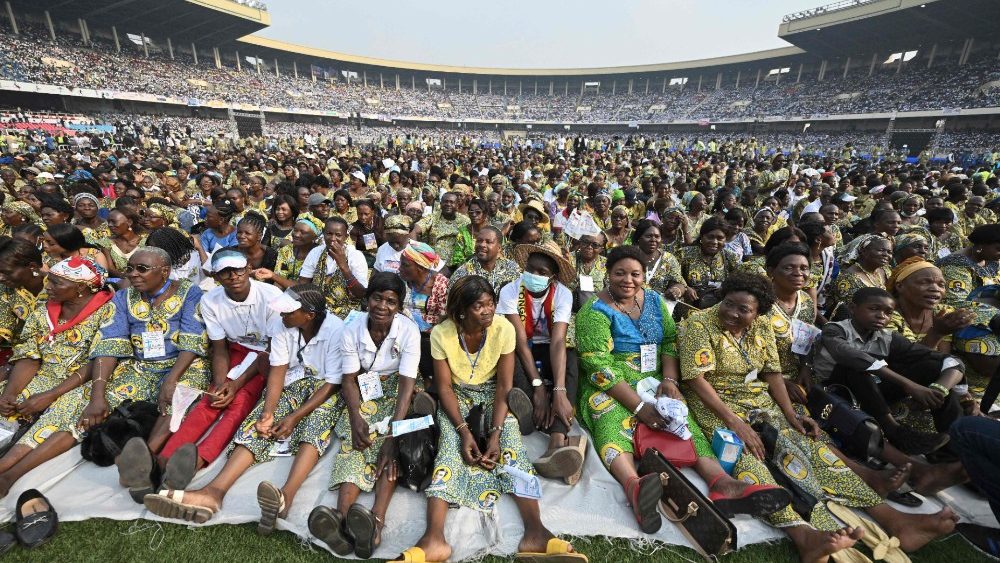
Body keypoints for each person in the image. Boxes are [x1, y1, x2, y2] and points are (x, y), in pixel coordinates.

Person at [680, 273, 958, 560]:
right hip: (715, 405)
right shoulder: (699, 324)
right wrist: (736, 423)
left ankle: (894, 519)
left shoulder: (762, 325)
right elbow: (696, 380)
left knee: (810, 446)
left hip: (758, 399)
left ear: (759, 312)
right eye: (728, 304)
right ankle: (804, 534)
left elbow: (773, 373)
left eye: (743, 310)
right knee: (753, 460)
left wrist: (790, 415)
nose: (732, 313)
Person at [576, 246, 790, 532]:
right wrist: (640, 407)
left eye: (635, 274)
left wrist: (670, 380)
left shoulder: (652, 300)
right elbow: (597, 366)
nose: (628, 280)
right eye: (620, 273)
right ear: (607, 274)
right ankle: (634, 486)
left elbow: (668, 341)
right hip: (614, 379)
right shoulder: (594, 311)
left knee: (681, 417)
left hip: (655, 374)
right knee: (611, 417)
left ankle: (721, 483)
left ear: (644, 276)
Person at [396, 275, 584, 563]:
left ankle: (535, 533)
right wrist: (463, 431)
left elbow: (503, 387)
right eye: (479, 306)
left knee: (512, 446)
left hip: (492, 393)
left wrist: (494, 433)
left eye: (491, 304)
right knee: (448, 450)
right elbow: (445, 387)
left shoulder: (503, 329)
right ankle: (434, 540)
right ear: (461, 311)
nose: (488, 311)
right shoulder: (441, 334)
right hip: (456, 395)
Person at [143, 285, 345, 527]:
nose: (282, 316)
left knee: (315, 425)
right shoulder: (283, 325)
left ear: (309, 316)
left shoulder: (336, 330)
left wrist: (294, 417)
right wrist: (268, 412)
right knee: (257, 425)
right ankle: (213, 493)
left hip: (325, 389)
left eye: (288, 313)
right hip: (294, 380)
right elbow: (278, 370)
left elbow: (333, 382)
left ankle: (286, 496)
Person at [125, 249, 282, 495]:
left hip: (266, 358)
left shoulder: (271, 295)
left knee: (238, 405)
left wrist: (237, 384)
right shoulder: (211, 300)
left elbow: (272, 350)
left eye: (238, 269)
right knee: (210, 401)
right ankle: (161, 463)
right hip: (235, 352)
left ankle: (194, 462)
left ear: (249, 267)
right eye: (224, 272)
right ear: (216, 277)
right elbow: (219, 348)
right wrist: (221, 383)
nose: (233, 276)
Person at [310, 273, 420, 559]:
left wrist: (393, 434)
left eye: (391, 301)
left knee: (390, 450)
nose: (382, 306)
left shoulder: (409, 331)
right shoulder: (351, 329)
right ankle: (342, 517)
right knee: (355, 441)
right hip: (363, 385)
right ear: (367, 299)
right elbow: (348, 379)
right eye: (377, 298)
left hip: (399, 390)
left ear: (399, 306)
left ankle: (375, 522)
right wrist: (356, 416)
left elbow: (408, 383)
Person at [0, 257, 113, 497]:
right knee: (7, 400)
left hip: (82, 382)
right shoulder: (44, 312)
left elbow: (99, 361)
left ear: (81, 287)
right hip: (45, 374)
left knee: (62, 415)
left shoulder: (107, 311)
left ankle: (7, 472)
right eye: (49, 280)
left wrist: (51, 395)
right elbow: (30, 355)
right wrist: (10, 393)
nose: (47, 286)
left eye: (55, 282)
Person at [811, 287, 965, 455]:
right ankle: (894, 431)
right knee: (855, 367)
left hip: (870, 395)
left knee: (932, 366)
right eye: (874, 309)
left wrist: (938, 389)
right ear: (853, 308)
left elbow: (948, 361)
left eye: (888, 312)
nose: (881, 316)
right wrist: (909, 385)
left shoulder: (887, 337)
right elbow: (849, 356)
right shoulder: (835, 329)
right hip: (833, 392)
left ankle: (954, 443)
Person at [84, 247, 210, 449]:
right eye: (130, 268)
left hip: (184, 366)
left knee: (176, 400)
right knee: (95, 401)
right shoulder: (123, 297)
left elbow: (192, 340)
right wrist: (97, 396)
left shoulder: (189, 292)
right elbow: (109, 343)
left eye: (142, 269)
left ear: (165, 271)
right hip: (140, 366)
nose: (133, 274)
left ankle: (147, 455)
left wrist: (171, 379)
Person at [498, 242, 587, 483]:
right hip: (523, 348)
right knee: (507, 356)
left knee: (570, 356)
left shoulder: (562, 293)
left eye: (542, 273)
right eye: (531, 269)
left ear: (553, 277)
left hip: (550, 349)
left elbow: (558, 341)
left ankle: (557, 437)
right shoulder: (510, 291)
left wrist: (557, 391)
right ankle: (530, 405)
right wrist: (538, 388)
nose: (534, 275)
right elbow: (519, 341)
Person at [937, 224, 1000, 412]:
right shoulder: (956, 265)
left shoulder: (989, 261)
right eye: (998, 248)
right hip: (960, 319)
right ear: (980, 245)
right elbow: (956, 304)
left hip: (989, 316)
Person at [298, 217, 369, 320]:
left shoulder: (355, 256)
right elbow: (303, 284)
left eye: (338, 235)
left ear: (346, 237)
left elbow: (360, 293)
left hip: (347, 314)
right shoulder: (316, 252)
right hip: (317, 311)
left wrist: (343, 266)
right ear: (323, 233)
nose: (333, 239)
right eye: (329, 234)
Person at [0, 238, 46, 366]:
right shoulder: (6, 290)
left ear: (32, 266)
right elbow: (3, 326)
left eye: (6, 272)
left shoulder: (59, 286)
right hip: (22, 354)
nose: (0, 278)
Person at [678, 218, 739, 308]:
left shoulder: (730, 257)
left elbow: (739, 278)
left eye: (720, 238)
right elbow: (673, 275)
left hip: (719, 306)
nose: (714, 242)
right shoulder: (684, 254)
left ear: (725, 239)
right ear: (702, 237)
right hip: (689, 305)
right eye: (710, 237)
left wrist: (726, 288)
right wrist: (685, 288)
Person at [831, 234, 892, 319]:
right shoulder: (848, 278)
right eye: (881, 250)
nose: (886, 255)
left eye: (889, 252)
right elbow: (847, 312)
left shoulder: (886, 271)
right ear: (863, 251)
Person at [254, 215, 322, 289]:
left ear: (315, 237)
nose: (296, 234)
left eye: (303, 232)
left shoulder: (320, 254)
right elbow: (279, 280)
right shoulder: (286, 251)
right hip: (287, 291)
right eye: (295, 230)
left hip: (310, 294)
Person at [447, 226, 521, 295]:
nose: (482, 245)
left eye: (488, 242)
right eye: (479, 241)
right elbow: (453, 305)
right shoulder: (462, 274)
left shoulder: (512, 269)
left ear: (499, 248)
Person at [413, 191, 469, 270]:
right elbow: (415, 230)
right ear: (440, 204)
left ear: (457, 205)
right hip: (433, 262)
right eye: (445, 202)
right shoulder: (433, 217)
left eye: (451, 202)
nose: (448, 204)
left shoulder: (465, 221)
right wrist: (416, 251)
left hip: (456, 264)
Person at [40, 223, 110, 271]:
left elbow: (101, 279)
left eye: (51, 243)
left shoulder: (94, 254)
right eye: (44, 241)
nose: (45, 245)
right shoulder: (45, 258)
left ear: (67, 243)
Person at [97, 209, 145, 276]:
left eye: (114, 222)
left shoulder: (144, 242)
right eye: (109, 222)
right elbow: (110, 269)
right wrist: (126, 276)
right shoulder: (106, 243)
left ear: (129, 222)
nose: (110, 225)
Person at [449, 198, 489, 268]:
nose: (474, 215)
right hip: (468, 270)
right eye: (471, 212)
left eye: (478, 212)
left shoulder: (493, 232)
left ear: (485, 214)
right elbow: (457, 259)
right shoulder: (463, 232)